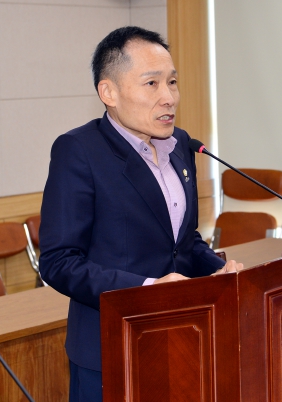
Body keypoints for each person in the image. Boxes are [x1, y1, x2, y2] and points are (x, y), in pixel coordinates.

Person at [39, 26, 243, 402]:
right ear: (109, 93)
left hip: (184, 337)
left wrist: (219, 272)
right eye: (152, 84)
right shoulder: (79, 151)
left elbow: (183, 242)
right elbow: (58, 262)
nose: (169, 98)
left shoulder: (180, 145)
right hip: (112, 348)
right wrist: (148, 289)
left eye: (172, 82)